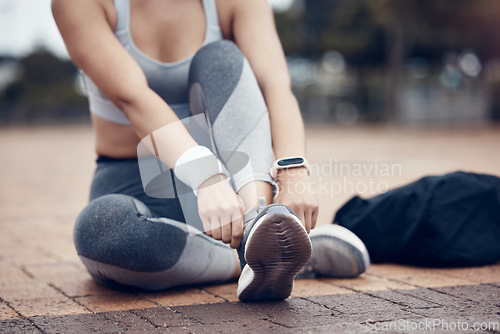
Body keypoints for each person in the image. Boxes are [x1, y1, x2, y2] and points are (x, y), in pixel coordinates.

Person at [52, 0, 369, 301]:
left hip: (235, 193)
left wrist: (293, 172)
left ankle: (255, 225)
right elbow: (132, 98)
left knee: (221, 58)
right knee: (101, 232)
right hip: (136, 181)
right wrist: (205, 176)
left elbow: (275, 84)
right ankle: (258, 258)